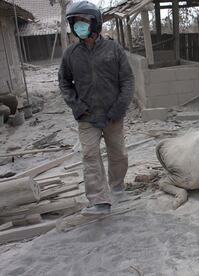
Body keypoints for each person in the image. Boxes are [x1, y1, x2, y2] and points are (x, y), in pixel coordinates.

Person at [58, 1, 134, 215]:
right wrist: (77, 107)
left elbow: (127, 80)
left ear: (95, 23)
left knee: (118, 154)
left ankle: (117, 186)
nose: (79, 26)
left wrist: (119, 108)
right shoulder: (70, 55)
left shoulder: (113, 49)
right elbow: (64, 83)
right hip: (87, 116)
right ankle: (99, 200)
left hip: (113, 115)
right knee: (90, 156)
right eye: (75, 22)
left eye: (83, 21)